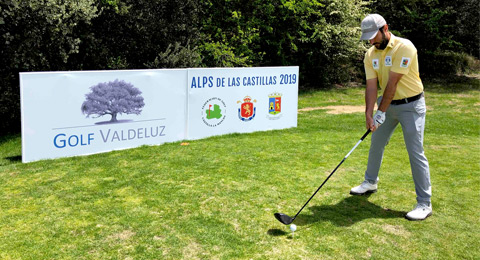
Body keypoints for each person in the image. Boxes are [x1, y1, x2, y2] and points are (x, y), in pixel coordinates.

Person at [350, 14, 432, 221]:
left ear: (385, 28)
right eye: (367, 38)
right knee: (376, 143)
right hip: (386, 105)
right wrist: (369, 114)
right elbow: (371, 86)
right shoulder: (370, 55)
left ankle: (424, 203)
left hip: (411, 105)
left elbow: (392, 84)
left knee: (415, 152)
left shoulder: (405, 47)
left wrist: (380, 112)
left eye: (373, 36)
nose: (371, 41)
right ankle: (370, 182)